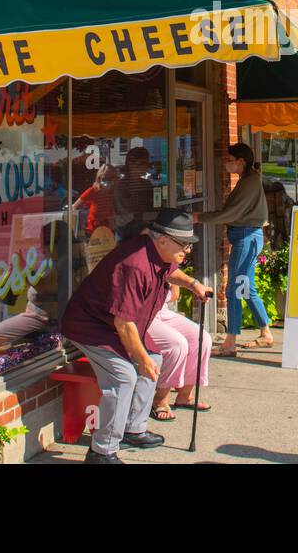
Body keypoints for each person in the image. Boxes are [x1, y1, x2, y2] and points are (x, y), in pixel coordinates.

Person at [60, 208, 209, 464]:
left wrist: (193, 284)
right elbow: (124, 322)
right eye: (184, 244)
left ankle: (132, 428)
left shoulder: (157, 252)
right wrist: (140, 359)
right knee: (124, 376)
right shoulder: (135, 264)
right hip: (91, 327)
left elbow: (170, 271)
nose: (187, 249)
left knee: (155, 359)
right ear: (162, 239)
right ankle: (101, 451)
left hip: (112, 325)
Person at [193, 142, 274, 356]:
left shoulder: (249, 182)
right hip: (247, 236)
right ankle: (265, 332)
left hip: (246, 236)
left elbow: (230, 213)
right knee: (246, 287)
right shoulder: (248, 180)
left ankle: (230, 342)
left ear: (241, 161)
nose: (226, 163)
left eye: (229, 160)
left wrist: (199, 217)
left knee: (235, 289)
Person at [145, 284, 212, 421]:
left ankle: (185, 396)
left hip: (162, 311)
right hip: (142, 314)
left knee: (202, 338)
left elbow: (174, 295)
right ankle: (160, 400)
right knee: (177, 344)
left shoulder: (170, 264)